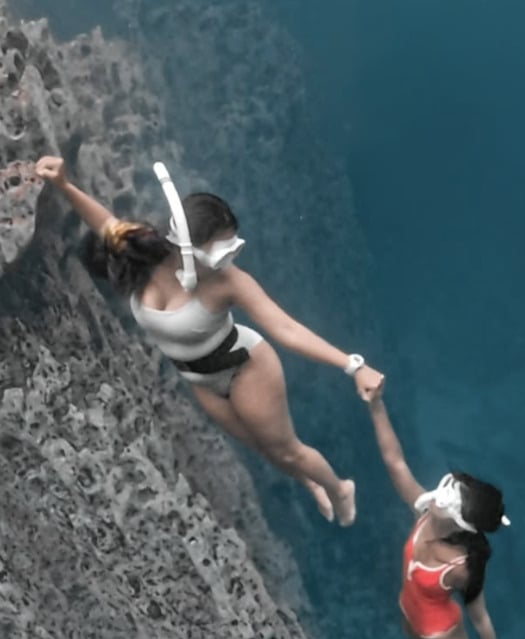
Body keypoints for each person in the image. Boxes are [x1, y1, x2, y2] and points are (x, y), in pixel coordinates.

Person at [33, 155, 384, 525]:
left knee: (288, 451)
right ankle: (310, 484)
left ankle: (338, 488)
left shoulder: (229, 281)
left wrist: (353, 365)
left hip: (243, 368)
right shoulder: (141, 252)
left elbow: (287, 330)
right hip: (200, 380)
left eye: (232, 246)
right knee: (264, 449)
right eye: (221, 248)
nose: (229, 257)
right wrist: (64, 184)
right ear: (186, 248)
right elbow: (103, 221)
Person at [364, 382, 525, 639]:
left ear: (461, 524)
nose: (442, 494)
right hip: (410, 606)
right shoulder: (425, 510)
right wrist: (376, 405)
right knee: (409, 632)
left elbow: (480, 616)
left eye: (452, 497)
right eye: (452, 486)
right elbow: (395, 461)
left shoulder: (461, 567)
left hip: (441, 629)